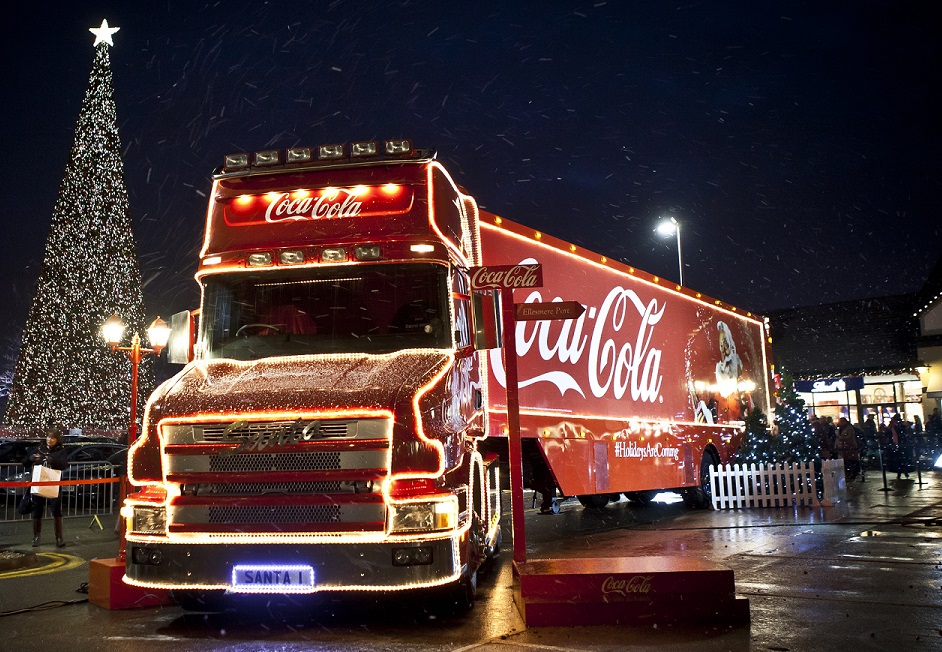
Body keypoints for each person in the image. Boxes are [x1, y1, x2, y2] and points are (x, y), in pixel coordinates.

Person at [27, 427, 69, 547]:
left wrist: (53, 461)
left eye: (53, 438)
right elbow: (25, 461)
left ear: (57, 440)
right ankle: (36, 537)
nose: (50, 440)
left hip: (53, 482)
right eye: (49, 437)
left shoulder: (61, 451)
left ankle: (59, 538)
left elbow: (64, 464)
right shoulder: (39, 448)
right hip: (39, 481)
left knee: (56, 509)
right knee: (37, 509)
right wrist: (30, 459)